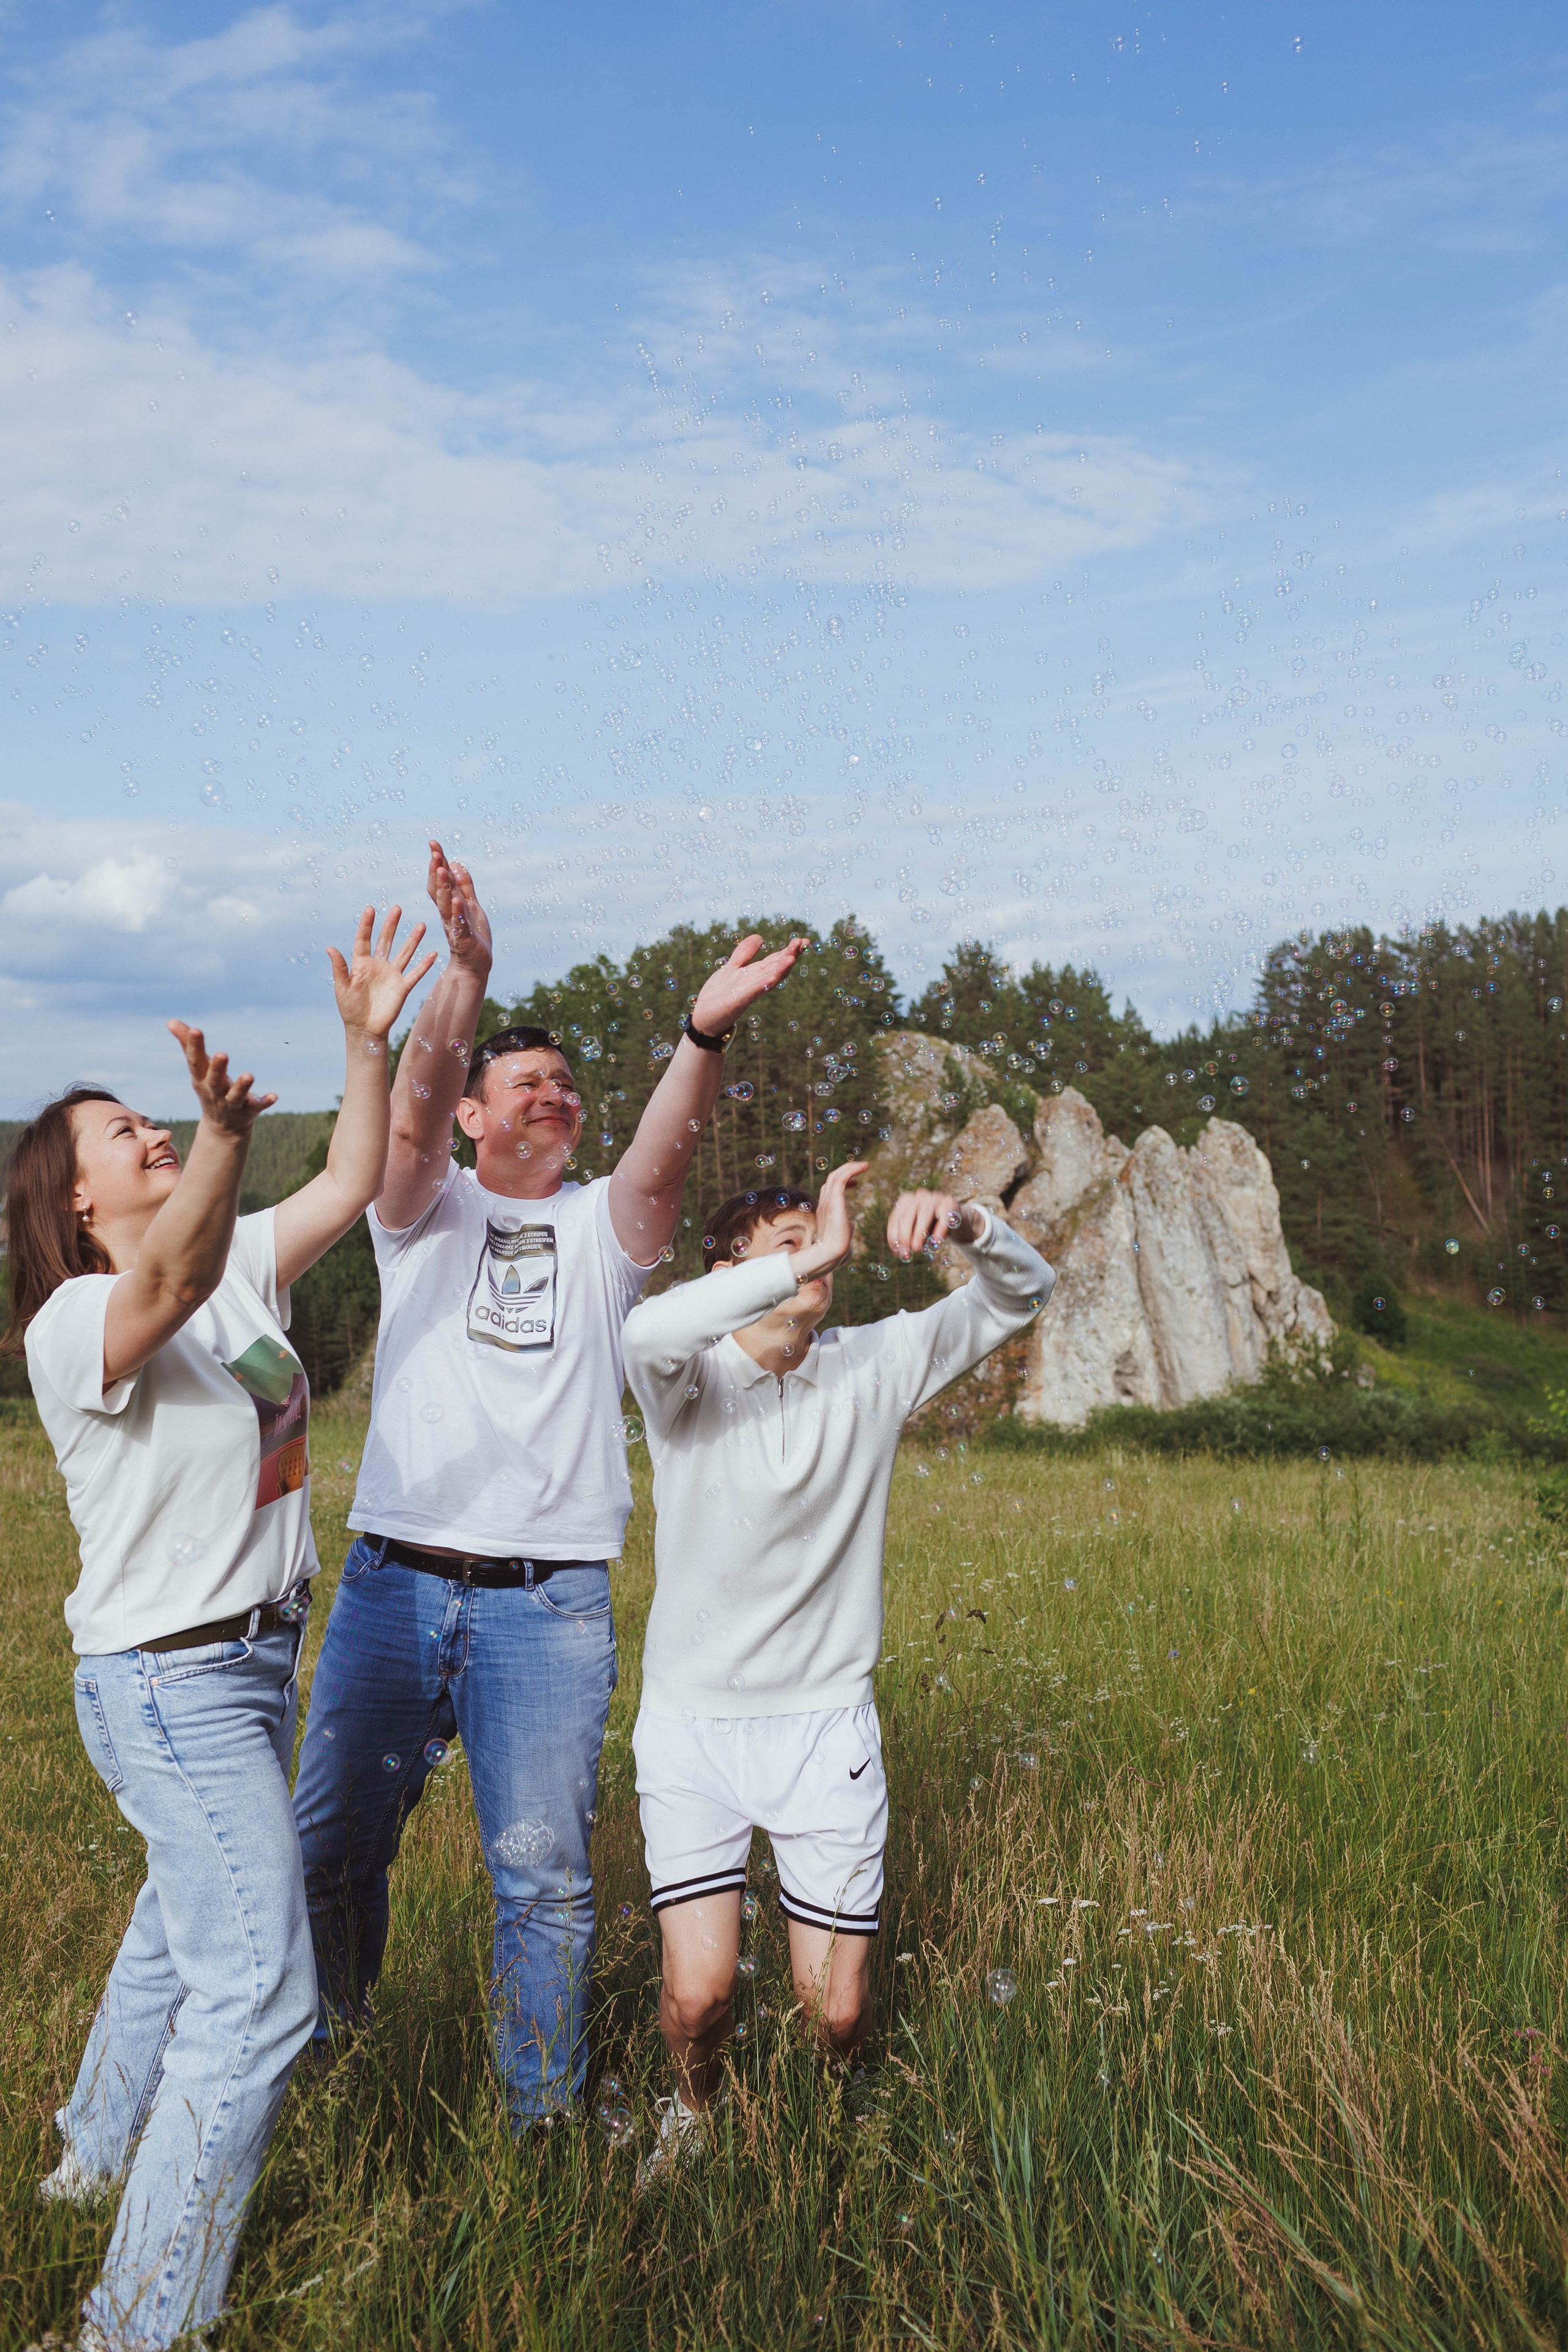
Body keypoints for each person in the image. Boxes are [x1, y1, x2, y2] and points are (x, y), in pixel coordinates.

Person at [292, 842, 807, 2127]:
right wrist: (464, 973)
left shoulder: (602, 1232)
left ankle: (539, 2125)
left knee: (543, 1885)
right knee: (331, 1854)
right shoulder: (420, 1210)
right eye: (525, 1082)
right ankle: (327, 2064)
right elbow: (411, 1110)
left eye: (568, 1085)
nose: (556, 1095)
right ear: (475, 1116)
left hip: (548, 1606)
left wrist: (700, 1035)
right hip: (393, 1586)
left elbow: (660, 1164)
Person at [7, 910, 434, 2352]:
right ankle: (133, 2325)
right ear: (75, 1202)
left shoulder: (240, 1258)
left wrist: (366, 1046)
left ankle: (89, 2160)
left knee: (177, 1927)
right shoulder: (75, 1321)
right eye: (120, 1133)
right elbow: (170, 1285)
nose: (148, 1134)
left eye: (152, 1120)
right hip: (168, 1681)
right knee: (257, 1991)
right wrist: (220, 1136)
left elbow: (354, 1179)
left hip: (252, 1664)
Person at [620, 1159, 1054, 2183]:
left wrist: (969, 1223)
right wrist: (801, 1259)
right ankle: (694, 2111)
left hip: (825, 1730)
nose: (818, 1256)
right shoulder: (685, 1384)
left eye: (821, 1242)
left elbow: (1022, 1294)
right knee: (698, 1998)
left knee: (840, 2012)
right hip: (691, 1730)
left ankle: (835, 2121)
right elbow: (644, 1331)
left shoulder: (873, 1364)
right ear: (731, 1271)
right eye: (788, 1242)